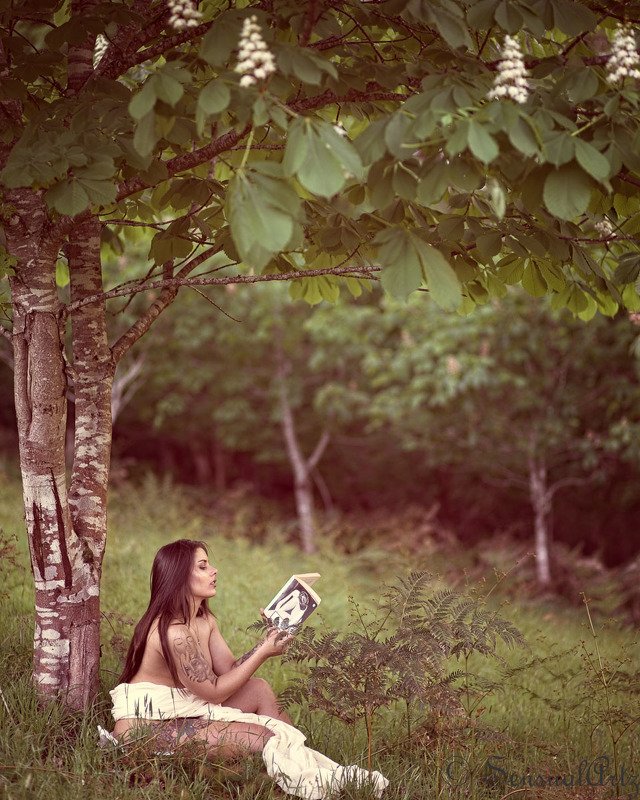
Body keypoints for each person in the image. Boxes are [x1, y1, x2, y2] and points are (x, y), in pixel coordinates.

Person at [106, 539, 388, 800]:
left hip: (186, 708)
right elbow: (214, 692)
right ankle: (294, 779)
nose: (214, 571)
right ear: (179, 576)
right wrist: (264, 653)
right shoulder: (173, 632)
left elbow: (229, 669)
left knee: (259, 689)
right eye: (203, 567)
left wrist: (265, 641)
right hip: (149, 727)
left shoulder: (204, 620)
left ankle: (300, 768)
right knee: (263, 737)